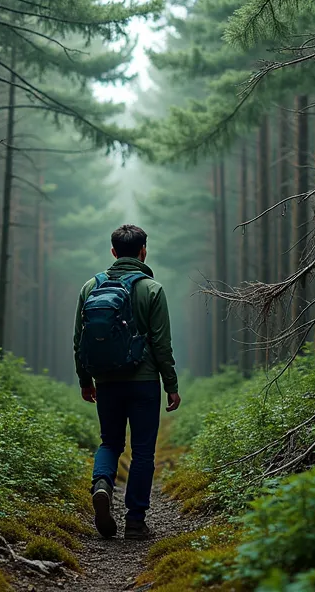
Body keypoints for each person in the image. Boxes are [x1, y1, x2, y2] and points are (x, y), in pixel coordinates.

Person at [74, 224, 181, 540]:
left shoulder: (90, 287)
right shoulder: (152, 289)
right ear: (143, 251)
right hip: (144, 381)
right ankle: (135, 521)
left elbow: (79, 341)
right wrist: (171, 385)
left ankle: (103, 484)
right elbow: (162, 345)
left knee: (110, 442)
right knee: (143, 450)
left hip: (106, 381)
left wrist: (85, 380)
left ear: (113, 252)